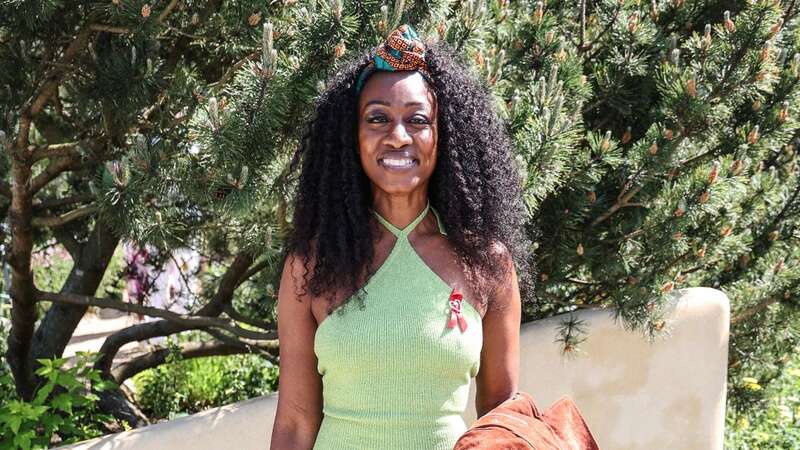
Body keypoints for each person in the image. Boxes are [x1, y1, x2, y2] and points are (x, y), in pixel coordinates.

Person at [270, 23, 532, 450]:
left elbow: (500, 416)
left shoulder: (487, 264)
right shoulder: (311, 265)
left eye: (417, 120)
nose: (397, 136)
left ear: (442, 135)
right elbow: (296, 423)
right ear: (351, 137)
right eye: (377, 118)